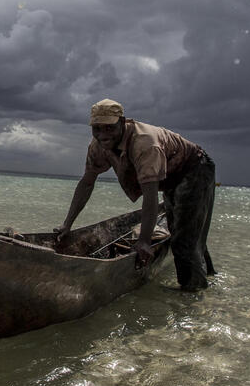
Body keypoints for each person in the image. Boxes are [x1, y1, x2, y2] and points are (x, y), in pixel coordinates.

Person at [55, 99, 216, 290]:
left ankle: (193, 295)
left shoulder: (144, 143)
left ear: (122, 122)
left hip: (194, 169)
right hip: (169, 176)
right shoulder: (97, 146)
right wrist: (67, 224)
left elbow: (150, 196)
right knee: (184, 228)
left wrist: (145, 242)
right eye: (96, 128)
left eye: (109, 128)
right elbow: (87, 183)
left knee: (183, 240)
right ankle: (209, 275)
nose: (102, 135)